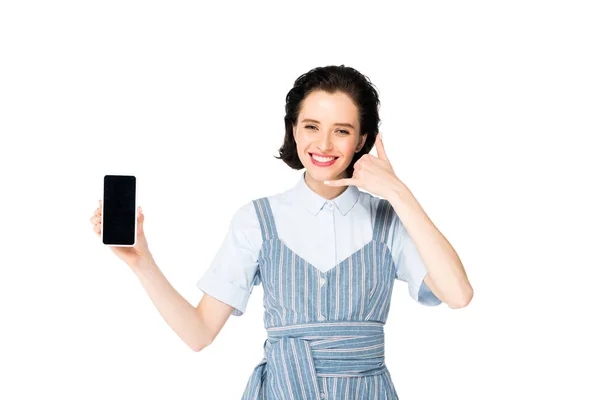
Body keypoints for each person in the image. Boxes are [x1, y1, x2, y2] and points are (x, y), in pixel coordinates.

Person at [90, 65, 473, 399]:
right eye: (311, 127)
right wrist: (142, 262)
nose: (323, 144)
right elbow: (199, 333)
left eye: (341, 130)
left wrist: (398, 192)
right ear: (294, 129)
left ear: (363, 140)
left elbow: (458, 294)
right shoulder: (256, 219)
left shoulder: (388, 219)